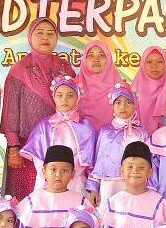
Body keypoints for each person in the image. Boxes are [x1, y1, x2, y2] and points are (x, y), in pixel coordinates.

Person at [1, 18, 74, 200]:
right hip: (27, 148)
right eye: (39, 33)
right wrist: (14, 147)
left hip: (61, 143)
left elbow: (75, 103)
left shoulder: (65, 68)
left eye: (50, 34)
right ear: (30, 37)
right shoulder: (19, 70)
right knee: (27, 198)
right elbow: (10, 111)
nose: (45, 37)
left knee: (60, 195)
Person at [17, 145, 93, 228]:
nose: (58, 175)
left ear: (72, 174)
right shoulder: (32, 202)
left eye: (64, 170)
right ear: (43, 171)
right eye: (53, 169)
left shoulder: (81, 202)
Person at [20, 75, 95, 196]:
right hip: (47, 182)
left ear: (78, 97)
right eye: (60, 95)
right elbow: (38, 158)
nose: (64, 100)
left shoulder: (86, 126)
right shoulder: (44, 125)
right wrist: (50, 175)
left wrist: (71, 173)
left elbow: (92, 160)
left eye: (70, 95)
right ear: (54, 97)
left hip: (76, 181)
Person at [87, 83, 148, 206]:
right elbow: (98, 160)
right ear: (112, 106)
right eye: (118, 103)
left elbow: (148, 161)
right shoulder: (105, 131)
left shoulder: (141, 132)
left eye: (128, 102)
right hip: (110, 182)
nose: (123, 106)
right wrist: (93, 187)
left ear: (135, 105)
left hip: (135, 181)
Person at [75, 40, 122, 130]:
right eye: (91, 55)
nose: (96, 59)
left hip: (112, 136)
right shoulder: (73, 86)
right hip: (82, 136)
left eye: (101, 55)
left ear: (108, 59)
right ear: (84, 59)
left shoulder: (121, 87)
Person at [132, 46, 166, 134]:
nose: (154, 66)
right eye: (149, 62)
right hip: (138, 138)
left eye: (159, 61)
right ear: (143, 64)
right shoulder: (133, 90)